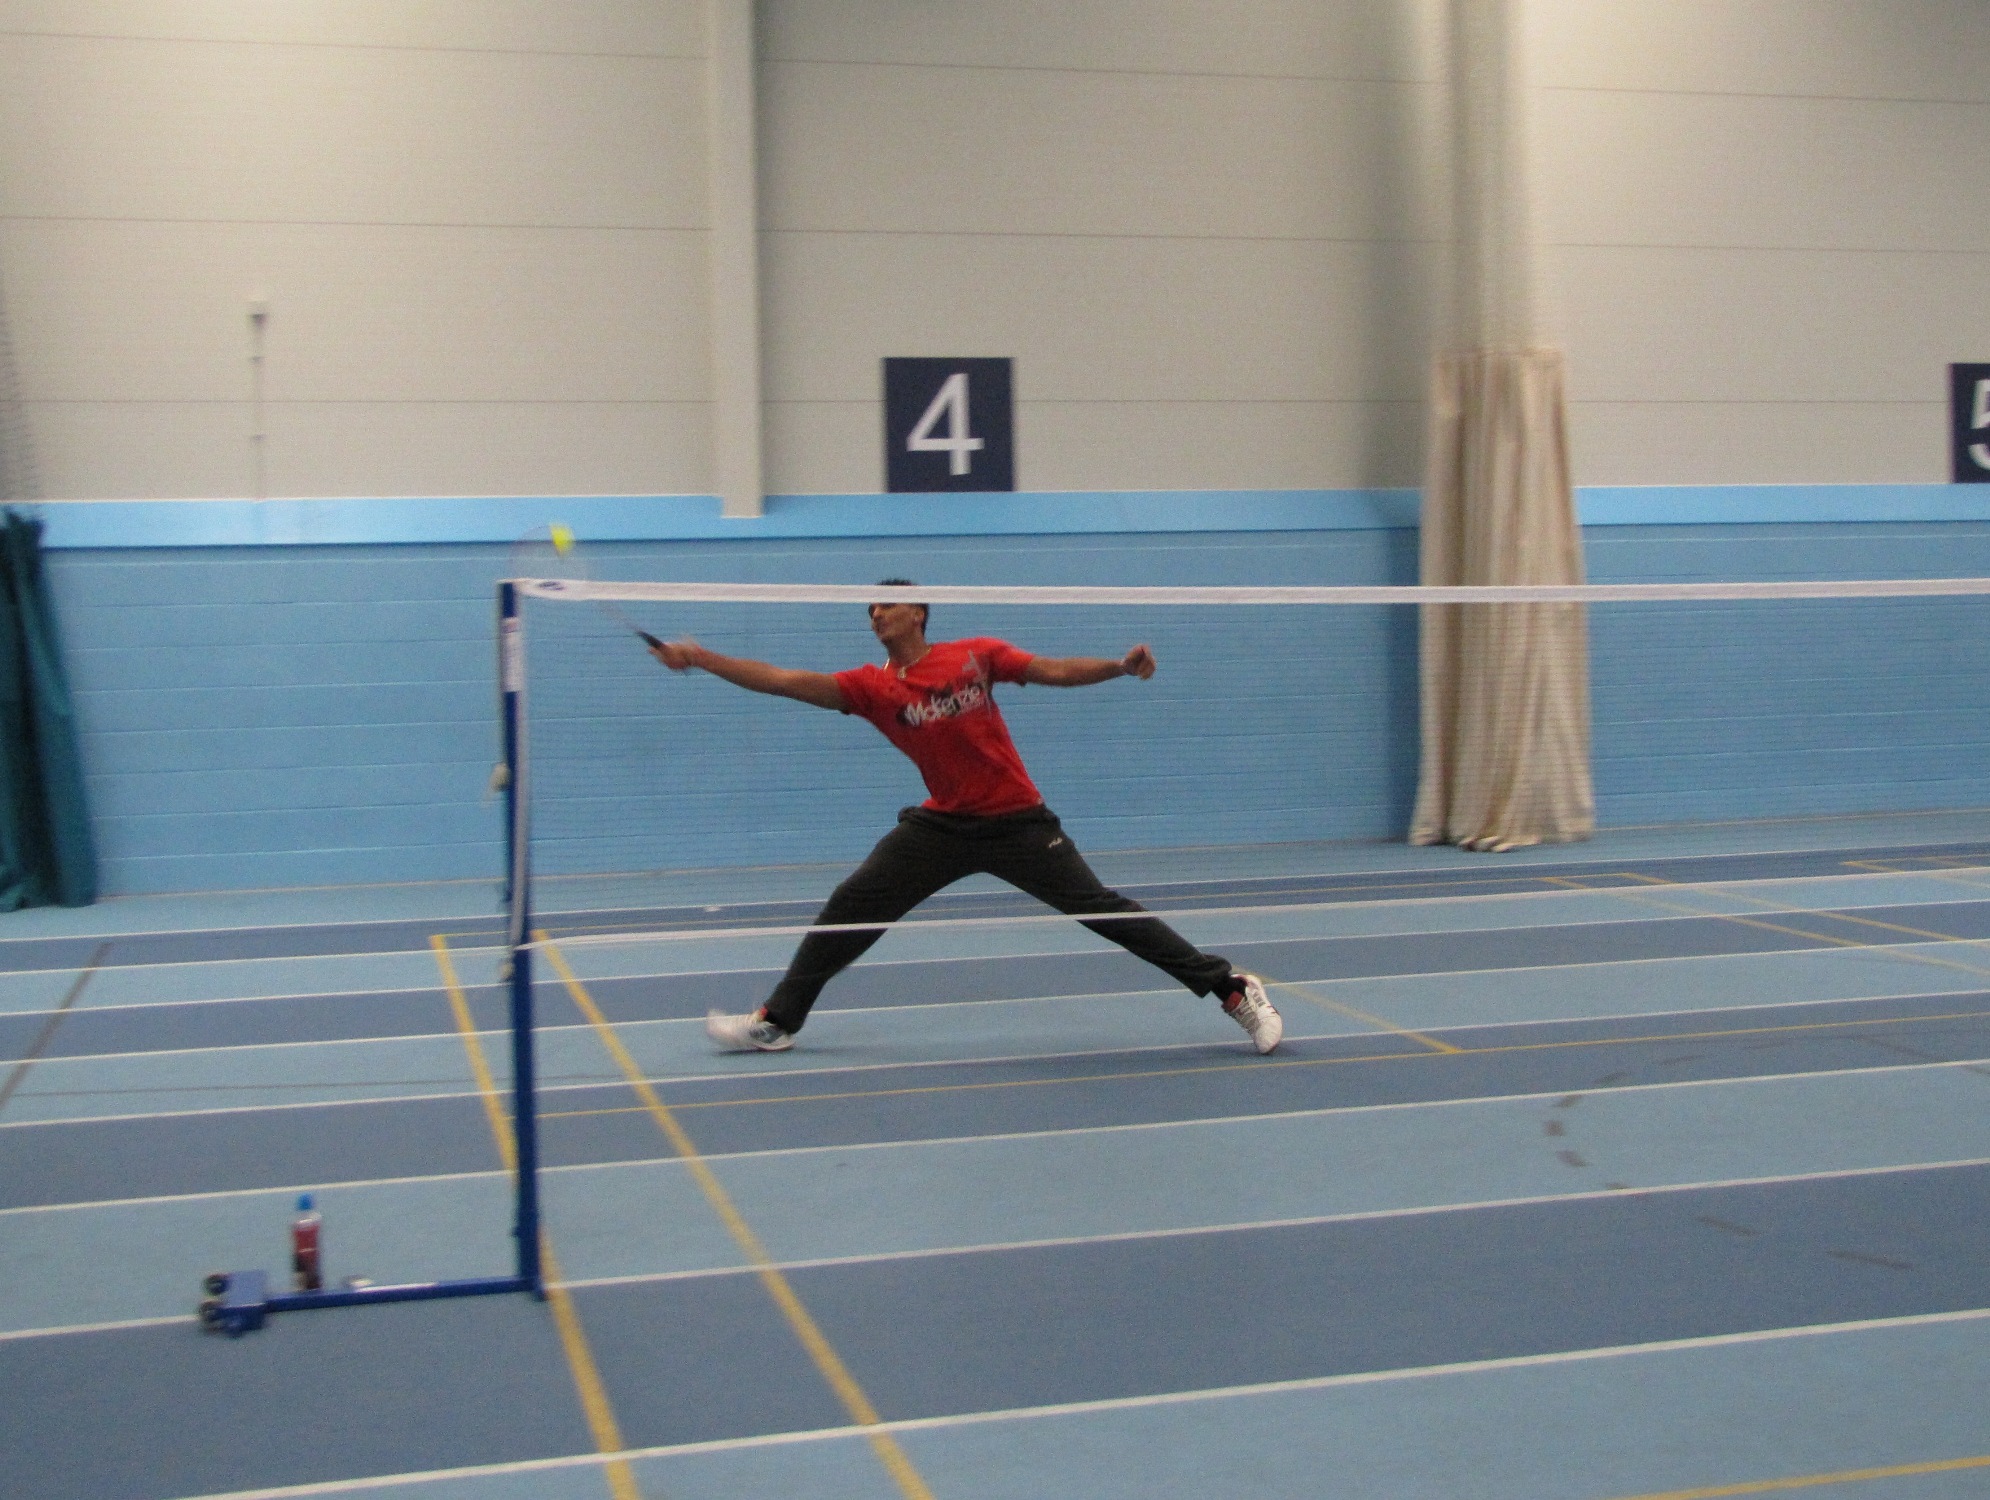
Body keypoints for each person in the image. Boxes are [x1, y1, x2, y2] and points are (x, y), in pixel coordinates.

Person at [648, 581, 1283, 1055]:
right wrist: (701, 657)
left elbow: (1054, 670)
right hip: (942, 827)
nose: (876, 614)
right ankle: (777, 1021)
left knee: (1103, 911)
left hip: (1018, 822)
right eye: (869, 608)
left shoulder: (974, 657)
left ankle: (1232, 989)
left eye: (886, 604)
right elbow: (783, 680)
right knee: (852, 905)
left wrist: (1117, 668)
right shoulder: (872, 688)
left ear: (918, 612)